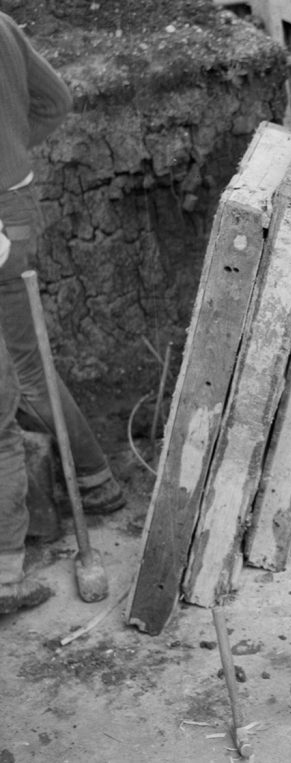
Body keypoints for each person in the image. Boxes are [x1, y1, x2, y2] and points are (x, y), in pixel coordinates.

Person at [0, 11, 125, 614]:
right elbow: (55, 100)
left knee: (22, 373)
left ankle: (94, 481)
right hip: (15, 204)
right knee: (25, 364)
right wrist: (15, 156)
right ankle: (96, 481)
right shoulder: (1, 25)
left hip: (0, 217)